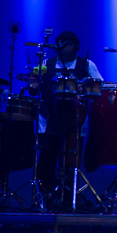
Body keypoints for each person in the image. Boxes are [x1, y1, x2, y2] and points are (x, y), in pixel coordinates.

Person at [31, 30, 103, 194]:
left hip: (76, 121)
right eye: (60, 43)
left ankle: (68, 198)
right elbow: (33, 86)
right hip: (48, 120)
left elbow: (99, 86)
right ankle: (45, 197)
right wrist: (33, 83)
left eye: (68, 44)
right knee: (47, 161)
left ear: (77, 47)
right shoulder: (46, 64)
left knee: (70, 162)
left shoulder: (86, 65)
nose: (63, 47)